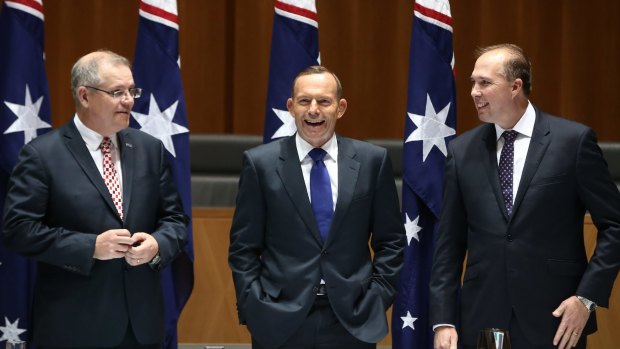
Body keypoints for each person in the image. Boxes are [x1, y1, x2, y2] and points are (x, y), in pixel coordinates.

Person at [430, 43, 620, 349]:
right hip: (483, 315)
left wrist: (587, 299)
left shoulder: (572, 142)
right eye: (473, 83)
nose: (474, 92)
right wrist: (443, 319)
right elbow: (449, 243)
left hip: (555, 317)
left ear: (516, 86)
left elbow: (615, 225)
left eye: (485, 83)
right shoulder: (461, 151)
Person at [2, 50, 188, 349]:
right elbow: (18, 230)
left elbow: (175, 220)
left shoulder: (150, 149)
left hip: (140, 326)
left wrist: (157, 245)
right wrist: (90, 247)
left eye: (132, 90)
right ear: (84, 96)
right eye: (117, 92)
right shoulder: (42, 155)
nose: (129, 100)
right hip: (73, 326)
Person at [228, 66, 406, 349]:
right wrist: (256, 304)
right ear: (290, 107)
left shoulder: (373, 161)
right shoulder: (260, 164)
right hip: (280, 319)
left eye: (324, 101)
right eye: (304, 101)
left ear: (340, 107)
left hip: (352, 319)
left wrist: (376, 298)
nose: (313, 110)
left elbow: (392, 241)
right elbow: (243, 247)